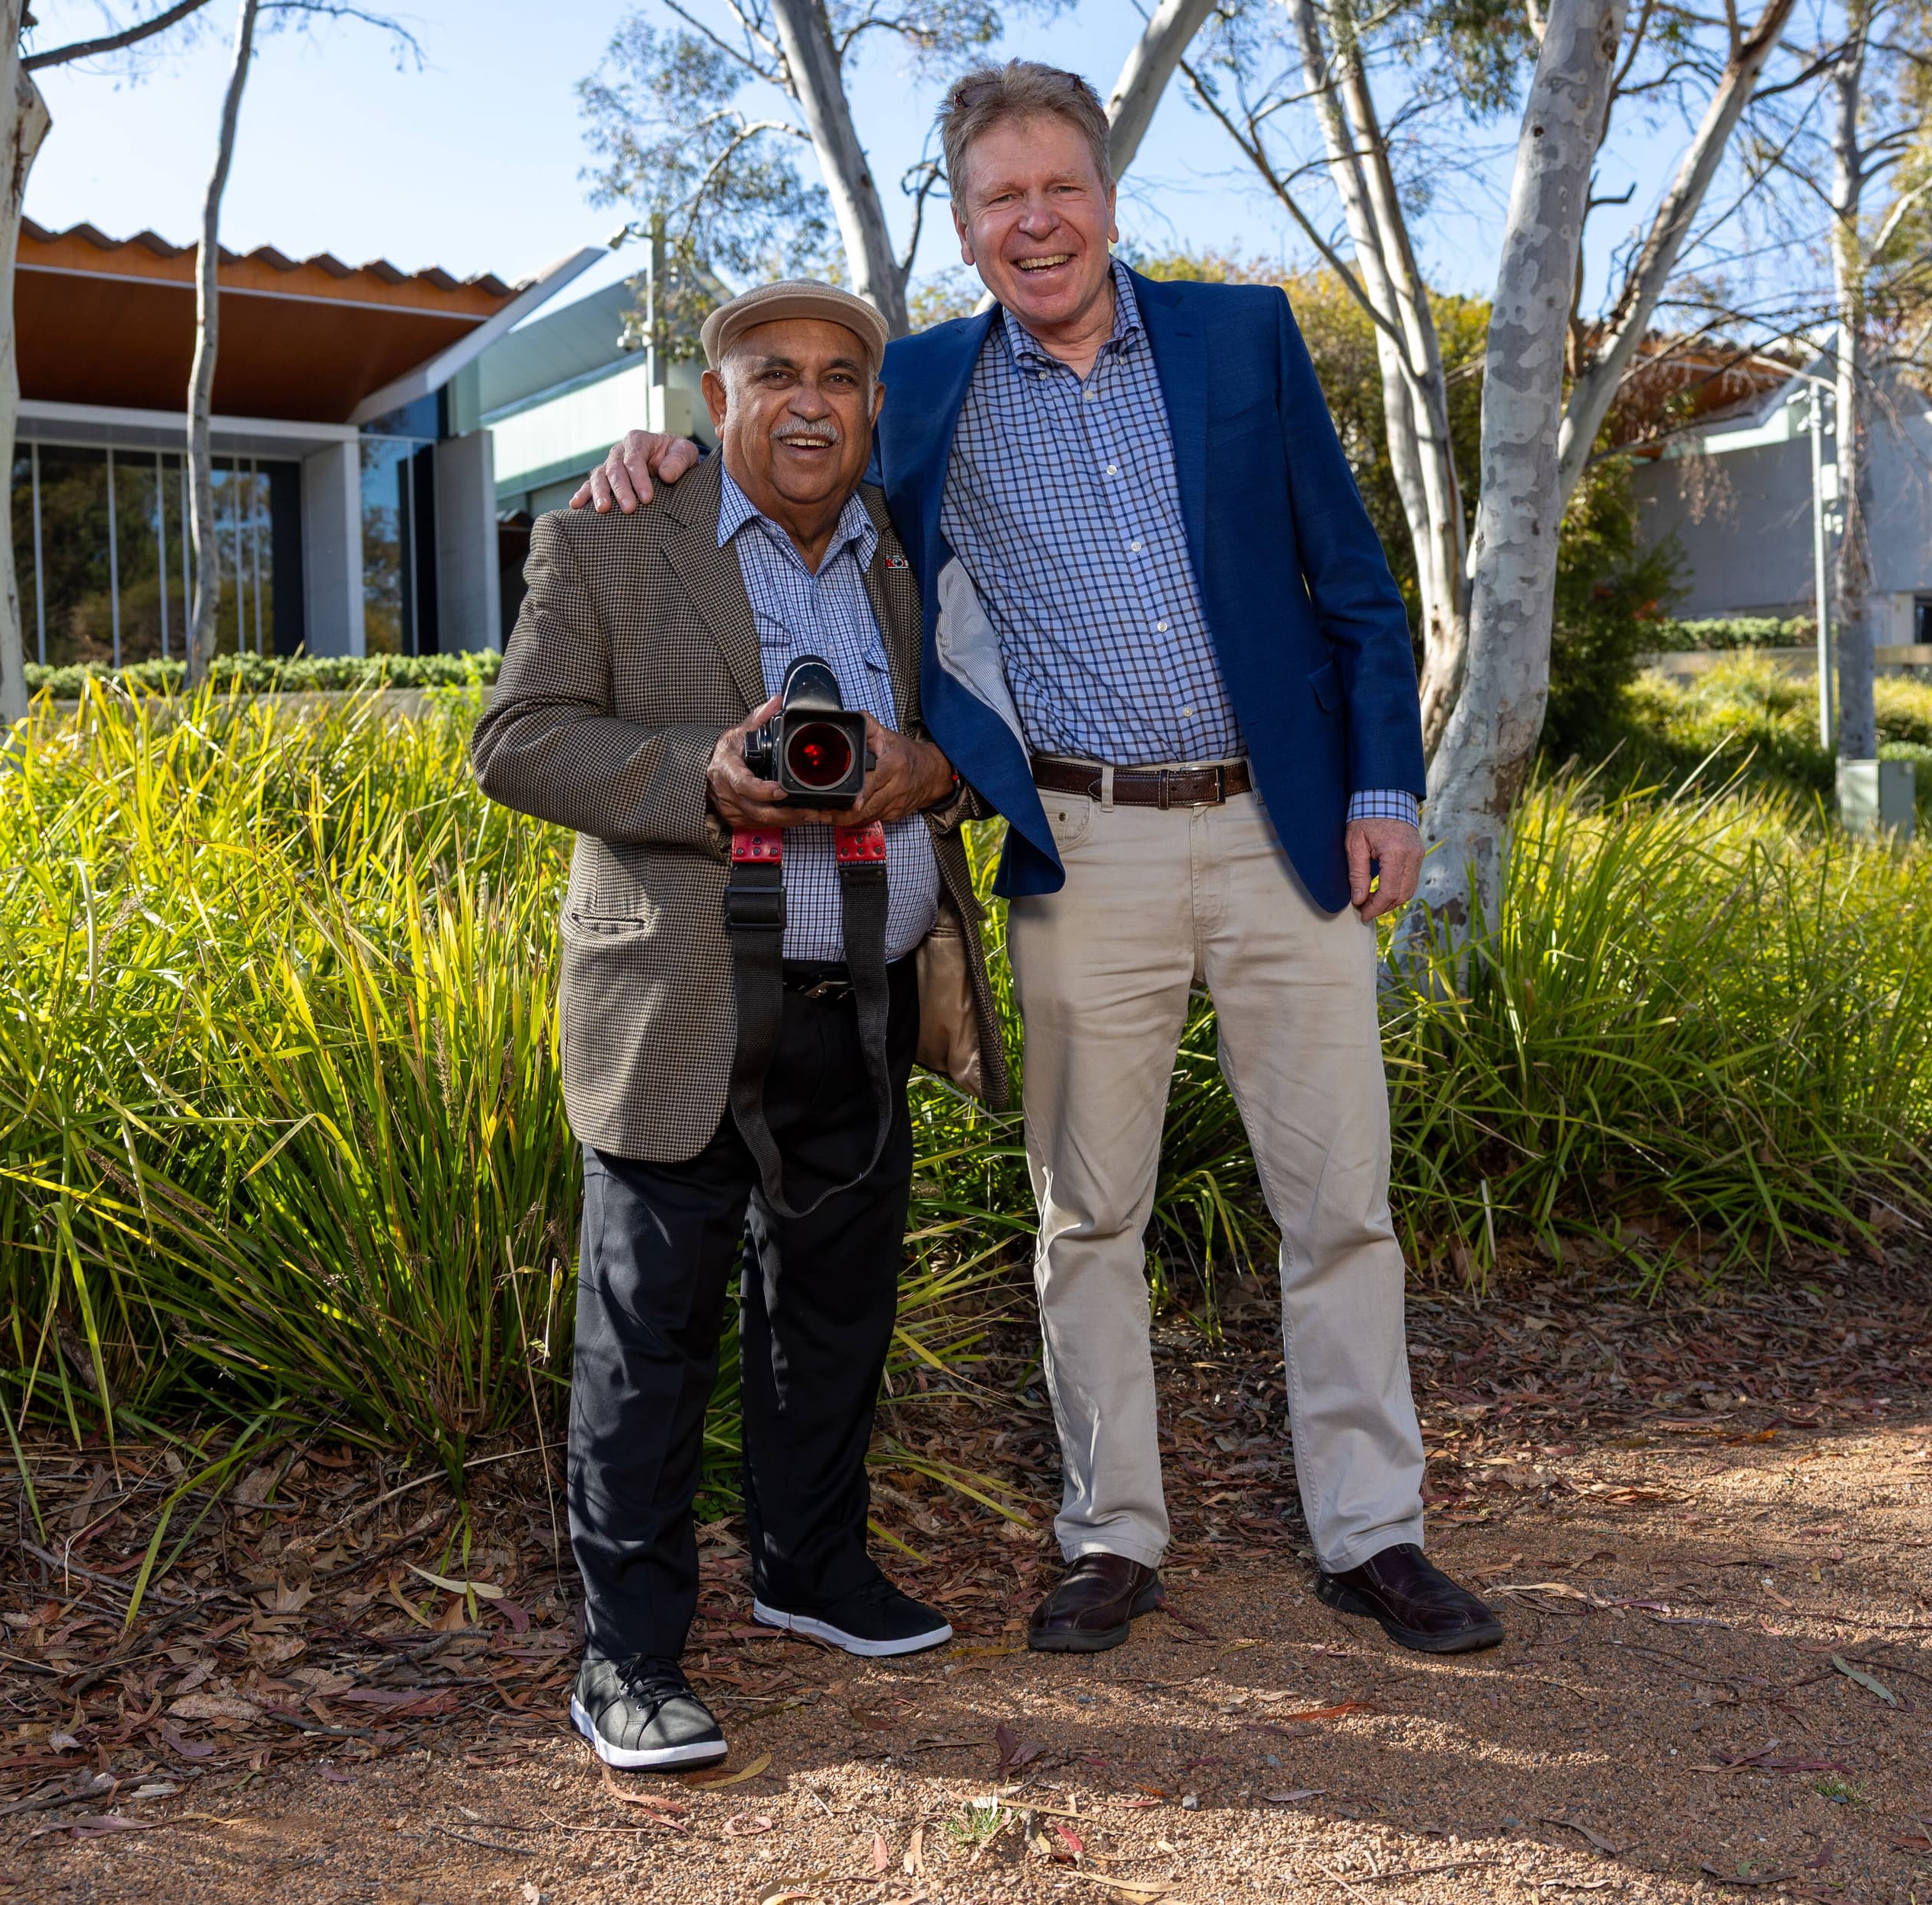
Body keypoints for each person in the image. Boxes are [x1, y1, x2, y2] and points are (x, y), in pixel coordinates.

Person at [579, 62, 1501, 1657]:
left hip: (1284, 836)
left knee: (1339, 1201)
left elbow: (1351, 583)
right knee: (1090, 1214)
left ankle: (1374, 1531)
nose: (1035, 222)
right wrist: (658, 456)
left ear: (1108, 196)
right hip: (1078, 842)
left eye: (1058, 187)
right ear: (963, 225)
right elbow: (791, 449)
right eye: (1000, 199)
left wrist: (1384, 786)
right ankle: (1110, 1535)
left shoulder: (1243, 338)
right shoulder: (923, 384)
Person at [472, 280, 1011, 1770]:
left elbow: (968, 727)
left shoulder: (902, 549)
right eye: (772, 372)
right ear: (713, 402)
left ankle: (808, 1566)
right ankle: (626, 1658)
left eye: (843, 374)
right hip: (683, 999)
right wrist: (702, 776)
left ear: (871, 406)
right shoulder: (604, 533)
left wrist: (929, 772)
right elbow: (514, 739)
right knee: (649, 1340)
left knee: (834, 1311)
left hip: (867, 990)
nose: (811, 399)